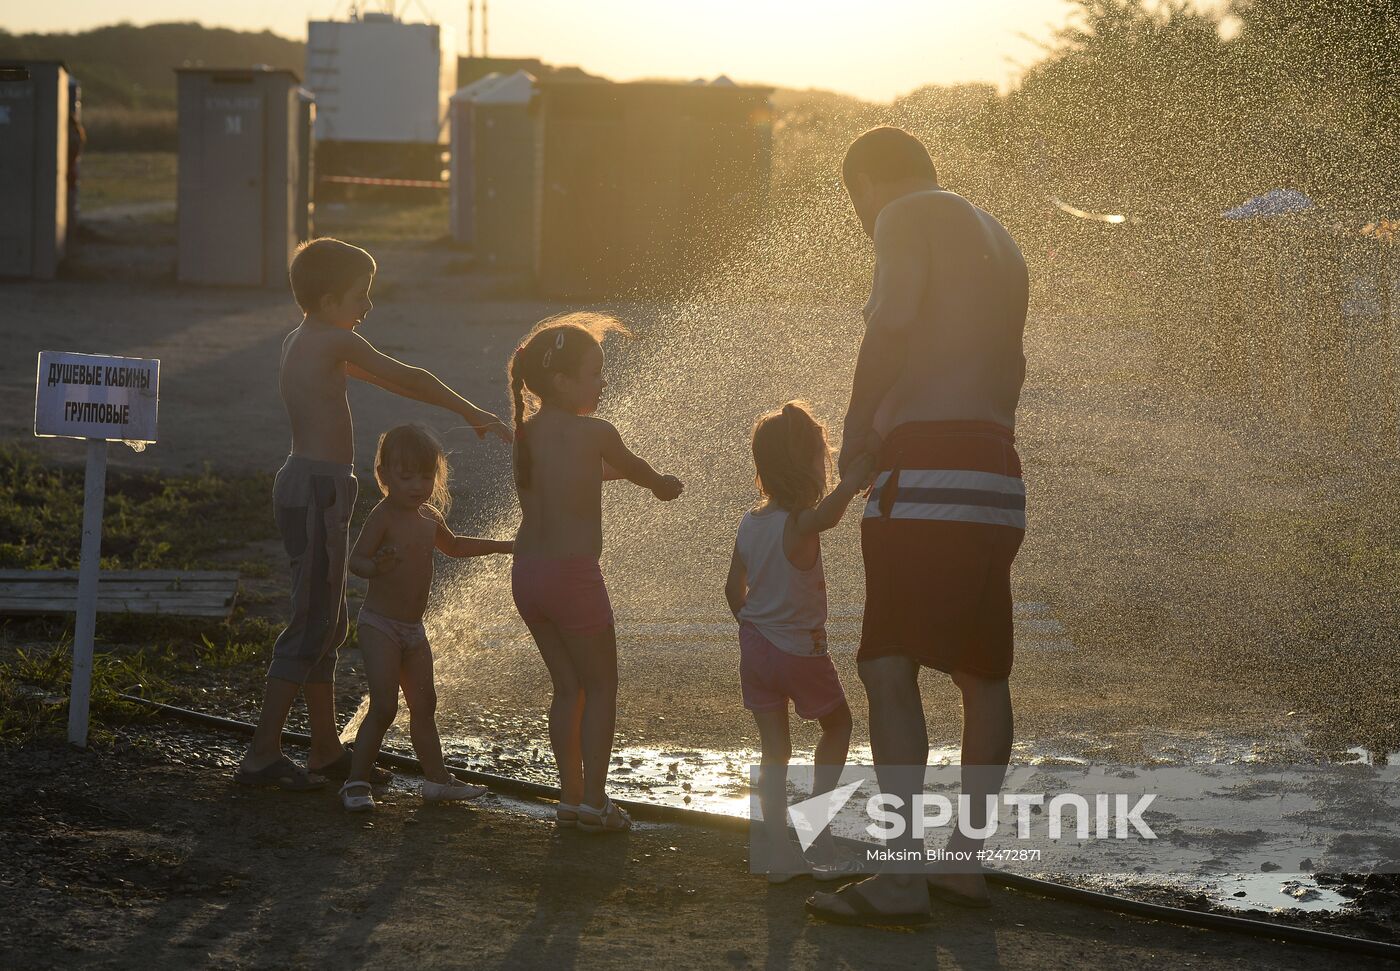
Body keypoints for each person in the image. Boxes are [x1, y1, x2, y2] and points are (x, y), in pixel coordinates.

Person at [807, 127, 1029, 925]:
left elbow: (892, 323)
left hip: (927, 476)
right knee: (981, 674)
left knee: (888, 666)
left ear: (867, 182)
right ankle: (964, 865)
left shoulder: (904, 215)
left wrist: (857, 424)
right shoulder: (1000, 241)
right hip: (996, 477)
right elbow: (1008, 370)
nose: (862, 220)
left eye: (855, 202)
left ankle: (900, 877)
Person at [235, 237, 510, 791]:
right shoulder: (331, 340)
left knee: (329, 624)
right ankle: (262, 755)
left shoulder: (307, 338)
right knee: (312, 623)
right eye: (361, 295)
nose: (368, 307)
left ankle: (323, 749)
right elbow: (407, 377)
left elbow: (389, 380)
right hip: (316, 489)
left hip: (320, 487)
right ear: (331, 298)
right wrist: (471, 411)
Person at [508, 313, 684, 832]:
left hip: (528, 576)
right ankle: (596, 803)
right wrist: (660, 484)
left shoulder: (526, 433)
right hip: (572, 578)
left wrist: (626, 476)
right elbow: (634, 467)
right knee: (602, 686)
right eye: (594, 373)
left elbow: (579, 472)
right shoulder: (597, 432)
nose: (603, 382)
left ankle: (570, 797)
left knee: (568, 688)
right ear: (562, 382)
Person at [724, 401, 871, 882]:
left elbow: (732, 590)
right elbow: (826, 517)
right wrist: (852, 483)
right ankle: (817, 828)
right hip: (799, 651)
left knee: (774, 752)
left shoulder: (750, 523)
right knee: (838, 725)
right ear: (805, 463)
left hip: (756, 648)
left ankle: (775, 853)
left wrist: (753, 624)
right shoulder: (797, 521)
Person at [338, 425, 513, 811]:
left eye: (426, 476)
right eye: (406, 476)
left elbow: (454, 547)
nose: (418, 485)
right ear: (383, 476)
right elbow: (356, 561)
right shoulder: (383, 516)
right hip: (379, 625)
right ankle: (355, 782)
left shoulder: (428, 516)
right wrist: (376, 566)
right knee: (383, 707)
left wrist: (507, 546)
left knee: (424, 706)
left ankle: (436, 781)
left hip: (413, 631)